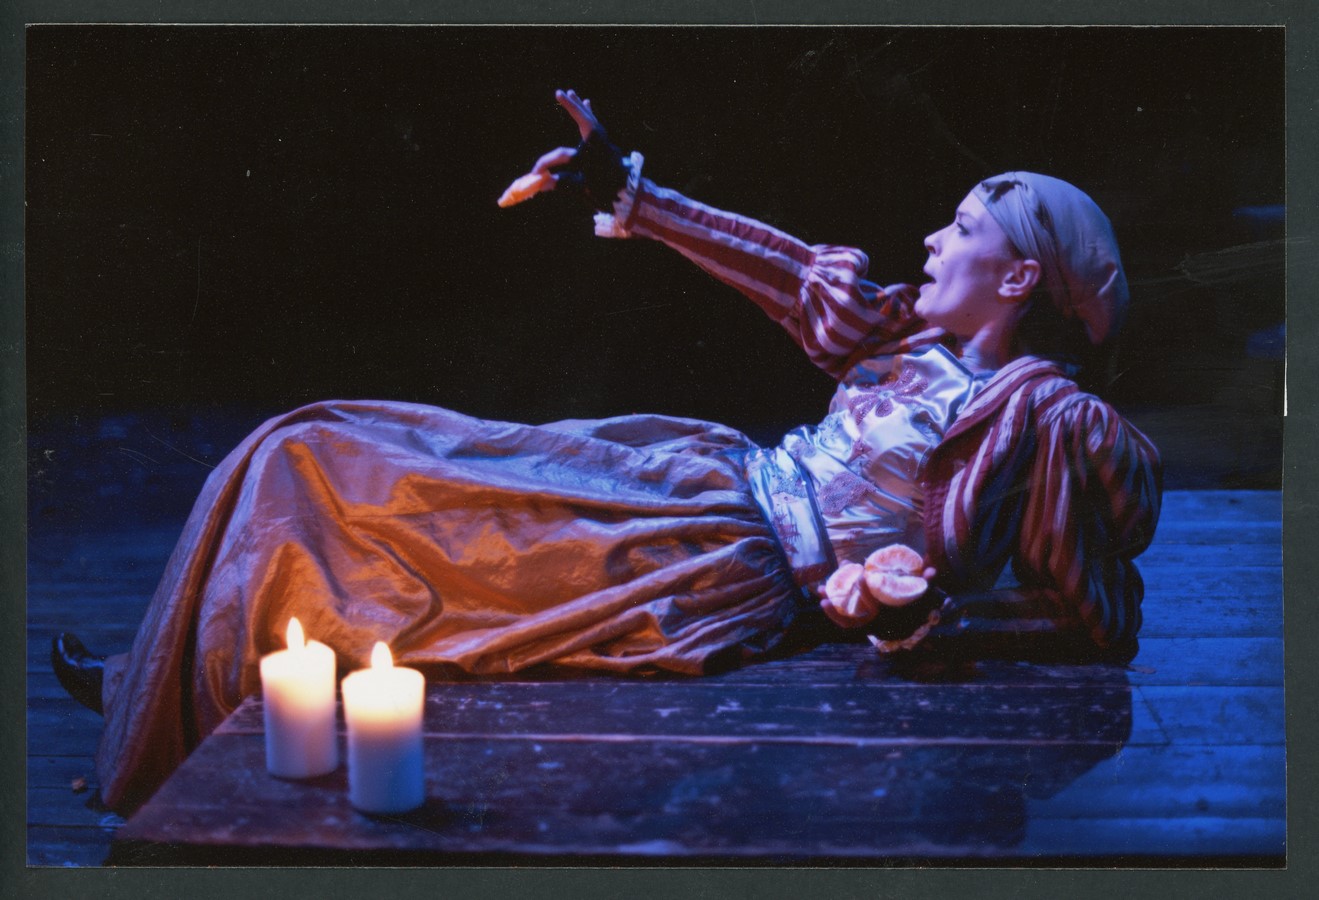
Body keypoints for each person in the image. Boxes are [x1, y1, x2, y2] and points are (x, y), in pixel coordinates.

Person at [52, 89, 1162, 813]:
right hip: (696, 480)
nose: (930, 237)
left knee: (416, 531)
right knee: (319, 445)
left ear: (1019, 278)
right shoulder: (912, 340)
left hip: (712, 569)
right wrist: (630, 193)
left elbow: (1091, 617)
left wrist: (914, 614)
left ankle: (170, 702)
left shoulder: (1040, 415)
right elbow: (788, 276)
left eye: (961, 229)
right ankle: (160, 678)